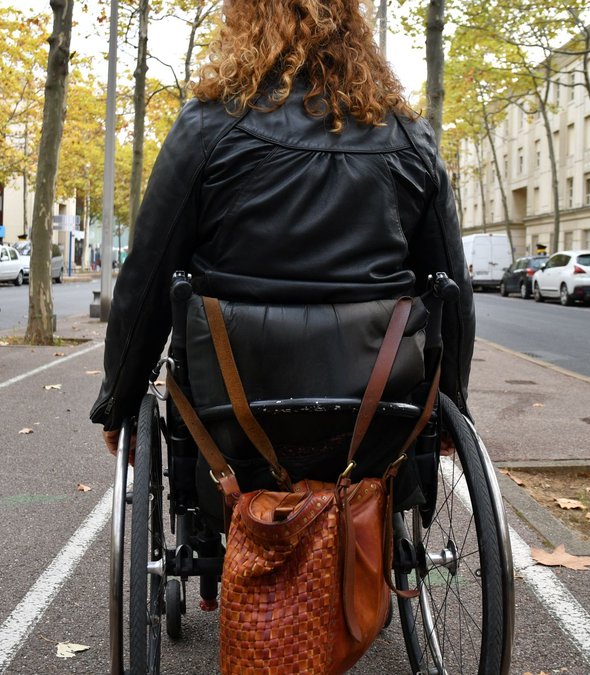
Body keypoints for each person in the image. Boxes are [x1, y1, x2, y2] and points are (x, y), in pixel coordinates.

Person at [91, 0, 474, 457]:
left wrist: (119, 401)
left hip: (230, 411)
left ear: (245, 20)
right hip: (375, 413)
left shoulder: (206, 127)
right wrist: (453, 405)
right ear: (354, 27)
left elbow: (149, 275)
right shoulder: (411, 138)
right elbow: (451, 286)